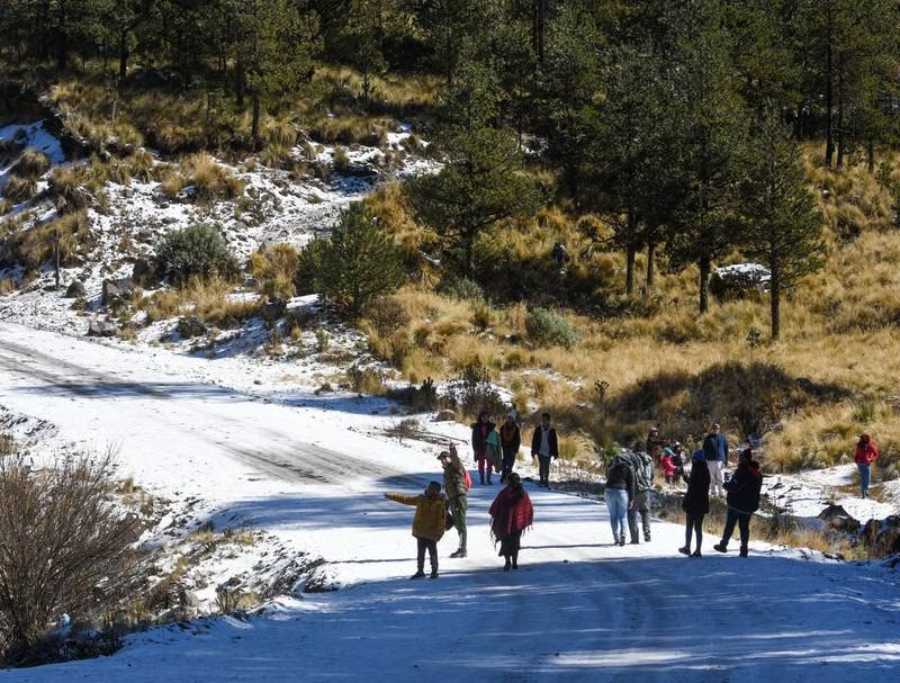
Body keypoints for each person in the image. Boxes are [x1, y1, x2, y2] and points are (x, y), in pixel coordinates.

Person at [385, 481, 448, 579]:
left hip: (431, 532)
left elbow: (442, 520)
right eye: (429, 488)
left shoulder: (440, 503)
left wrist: (439, 533)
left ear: (436, 491)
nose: (428, 490)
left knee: (432, 553)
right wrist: (392, 496)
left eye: (431, 489)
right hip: (421, 531)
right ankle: (420, 571)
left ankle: (434, 571)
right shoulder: (421, 499)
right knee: (421, 553)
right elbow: (406, 499)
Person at [714, 449, 763, 558]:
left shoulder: (742, 471)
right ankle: (744, 549)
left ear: (744, 459)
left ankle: (723, 545)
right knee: (744, 528)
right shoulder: (757, 473)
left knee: (730, 525)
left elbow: (734, 487)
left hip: (736, 504)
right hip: (749, 506)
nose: (739, 460)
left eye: (740, 457)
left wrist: (725, 485)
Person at [489, 473, 534, 570]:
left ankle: (507, 562)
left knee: (506, 542)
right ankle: (514, 563)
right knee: (515, 542)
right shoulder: (523, 494)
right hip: (518, 525)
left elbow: (495, 506)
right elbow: (528, 508)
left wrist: (495, 515)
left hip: (504, 523)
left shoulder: (504, 493)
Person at [438, 447, 469, 558]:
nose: (443, 461)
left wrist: (453, 451)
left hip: (459, 499)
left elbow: (456, 459)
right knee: (457, 524)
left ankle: (463, 549)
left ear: (450, 458)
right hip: (453, 500)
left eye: (445, 458)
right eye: (441, 459)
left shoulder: (456, 467)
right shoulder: (446, 471)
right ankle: (461, 548)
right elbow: (447, 489)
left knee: (461, 525)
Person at [679, 450, 711, 558]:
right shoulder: (706, 470)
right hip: (702, 502)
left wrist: (686, 478)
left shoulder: (696, 469)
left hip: (693, 502)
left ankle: (687, 547)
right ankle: (698, 550)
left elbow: (693, 486)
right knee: (698, 528)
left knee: (689, 526)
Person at [605, 454, 634, 546]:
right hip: (622, 491)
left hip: (609, 491)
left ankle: (616, 537)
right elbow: (631, 484)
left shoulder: (611, 466)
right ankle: (623, 535)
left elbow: (607, 477)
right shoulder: (628, 468)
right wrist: (631, 499)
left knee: (613, 516)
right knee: (622, 516)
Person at [628, 446, 654, 543]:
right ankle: (647, 532)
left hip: (635, 489)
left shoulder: (633, 459)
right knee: (646, 512)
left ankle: (635, 538)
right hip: (646, 490)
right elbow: (652, 476)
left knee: (632, 513)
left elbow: (630, 474)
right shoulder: (649, 460)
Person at [530, 412, 559, 487]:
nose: (544, 421)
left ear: (549, 421)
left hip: (548, 451)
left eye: (545, 420)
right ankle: (541, 479)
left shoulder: (552, 430)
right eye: (543, 420)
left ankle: (546, 480)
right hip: (540, 450)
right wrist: (533, 451)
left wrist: (555, 453)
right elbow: (534, 441)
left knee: (546, 466)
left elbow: (555, 442)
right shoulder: (538, 429)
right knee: (541, 465)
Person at [703, 423, 729, 497]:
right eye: (714, 428)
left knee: (721, 477)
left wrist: (726, 461)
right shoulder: (708, 438)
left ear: (719, 429)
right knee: (711, 478)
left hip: (720, 461)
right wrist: (705, 460)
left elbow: (726, 449)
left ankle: (721, 493)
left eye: (717, 428)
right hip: (710, 461)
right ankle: (713, 492)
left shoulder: (722, 437)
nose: (716, 430)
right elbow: (704, 449)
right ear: (712, 429)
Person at [471, 411, 497, 485]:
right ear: (480, 417)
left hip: (489, 448)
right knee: (481, 464)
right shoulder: (476, 427)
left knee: (489, 464)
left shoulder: (491, 427)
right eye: (483, 417)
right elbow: (474, 439)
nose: (485, 418)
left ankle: (488, 479)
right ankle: (482, 478)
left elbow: (494, 438)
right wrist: (475, 449)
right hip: (480, 448)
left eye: (486, 417)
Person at [854, 433, 880, 499]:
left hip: (866, 464)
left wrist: (871, 459)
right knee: (863, 478)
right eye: (863, 437)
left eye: (865, 437)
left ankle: (866, 490)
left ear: (868, 438)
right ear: (862, 438)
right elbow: (856, 454)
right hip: (860, 464)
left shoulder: (870, 446)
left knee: (867, 478)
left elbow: (876, 454)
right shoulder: (859, 445)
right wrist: (856, 460)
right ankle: (863, 491)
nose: (864, 438)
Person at [499, 413, 521, 483]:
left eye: (511, 418)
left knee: (510, 464)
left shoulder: (516, 428)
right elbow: (501, 438)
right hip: (505, 447)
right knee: (504, 463)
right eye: (508, 418)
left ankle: (508, 478)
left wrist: (516, 448)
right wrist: (501, 445)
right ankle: (503, 477)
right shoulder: (502, 427)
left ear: (513, 419)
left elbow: (518, 439)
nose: (509, 419)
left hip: (513, 448)